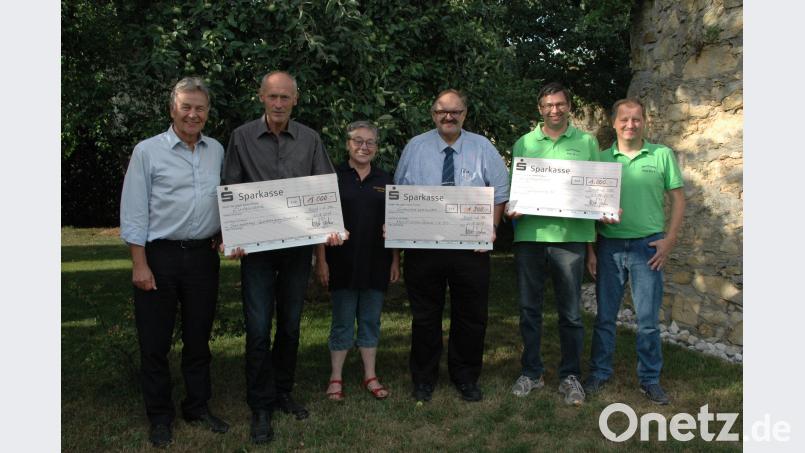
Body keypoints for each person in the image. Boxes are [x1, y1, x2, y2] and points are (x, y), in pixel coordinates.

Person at [222, 70, 340, 444]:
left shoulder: (310, 139)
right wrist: (233, 234)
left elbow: (324, 190)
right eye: (272, 96)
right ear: (261, 97)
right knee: (257, 329)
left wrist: (329, 229)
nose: (278, 103)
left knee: (290, 325)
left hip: (296, 249)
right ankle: (260, 404)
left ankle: (282, 391)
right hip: (256, 251)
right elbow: (230, 189)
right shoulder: (241, 137)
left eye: (285, 97)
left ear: (295, 99)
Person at [119, 77, 229, 447]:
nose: (193, 114)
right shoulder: (148, 151)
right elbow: (133, 211)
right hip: (159, 257)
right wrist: (139, 264)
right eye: (186, 106)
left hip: (202, 258)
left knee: (199, 339)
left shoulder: (216, 150)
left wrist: (226, 231)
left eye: (200, 108)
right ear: (172, 109)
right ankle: (160, 416)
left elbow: (223, 200)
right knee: (155, 343)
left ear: (208, 112)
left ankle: (197, 406)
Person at [394, 89, 509, 403]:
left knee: (471, 316)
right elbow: (399, 194)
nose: (449, 116)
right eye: (442, 111)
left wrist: (492, 229)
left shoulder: (482, 147)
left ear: (465, 114)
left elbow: (500, 192)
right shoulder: (415, 147)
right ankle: (423, 378)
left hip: (471, 249)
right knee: (425, 317)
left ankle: (466, 376)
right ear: (433, 114)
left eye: (455, 111)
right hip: (423, 249)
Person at [583, 98, 685, 405]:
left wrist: (669, 240)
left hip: (648, 247)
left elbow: (679, 200)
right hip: (609, 246)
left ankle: (650, 379)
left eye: (636, 119)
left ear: (645, 121)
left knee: (648, 320)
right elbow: (588, 209)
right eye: (624, 119)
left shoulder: (662, 155)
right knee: (605, 317)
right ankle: (600, 373)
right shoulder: (601, 160)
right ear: (613, 123)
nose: (630, 124)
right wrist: (591, 251)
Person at [507, 82, 602, 406]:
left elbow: (595, 191)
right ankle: (531, 372)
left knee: (572, 313)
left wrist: (593, 245)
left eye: (560, 104)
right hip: (530, 237)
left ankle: (570, 375)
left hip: (570, 239)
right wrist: (514, 208)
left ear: (569, 107)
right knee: (528, 310)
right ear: (540, 108)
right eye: (548, 105)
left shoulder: (587, 142)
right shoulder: (524, 143)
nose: (555, 110)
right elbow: (515, 188)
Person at [314, 121, 400, 401]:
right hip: (342, 261)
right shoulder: (332, 177)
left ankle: (370, 375)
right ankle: (335, 377)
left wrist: (395, 261)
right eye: (358, 141)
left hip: (377, 260)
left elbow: (395, 223)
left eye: (370, 142)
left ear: (377, 146)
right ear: (348, 144)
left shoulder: (385, 179)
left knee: (370, 320)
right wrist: (321, 261)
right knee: (342, 321)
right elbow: (320, 223)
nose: (364, 147)